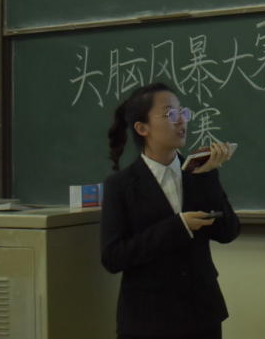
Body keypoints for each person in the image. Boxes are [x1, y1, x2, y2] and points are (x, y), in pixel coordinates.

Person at [101, 82, 240, 339]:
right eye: (170, 114)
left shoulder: (198, 172)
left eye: (183, 112)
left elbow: (228, 232)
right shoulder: (121, 185)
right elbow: (113, 257)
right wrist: (179, 226)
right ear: (142, 128)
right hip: (148, 319)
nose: (181, 120)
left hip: (202, 315)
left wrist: (208, 176)